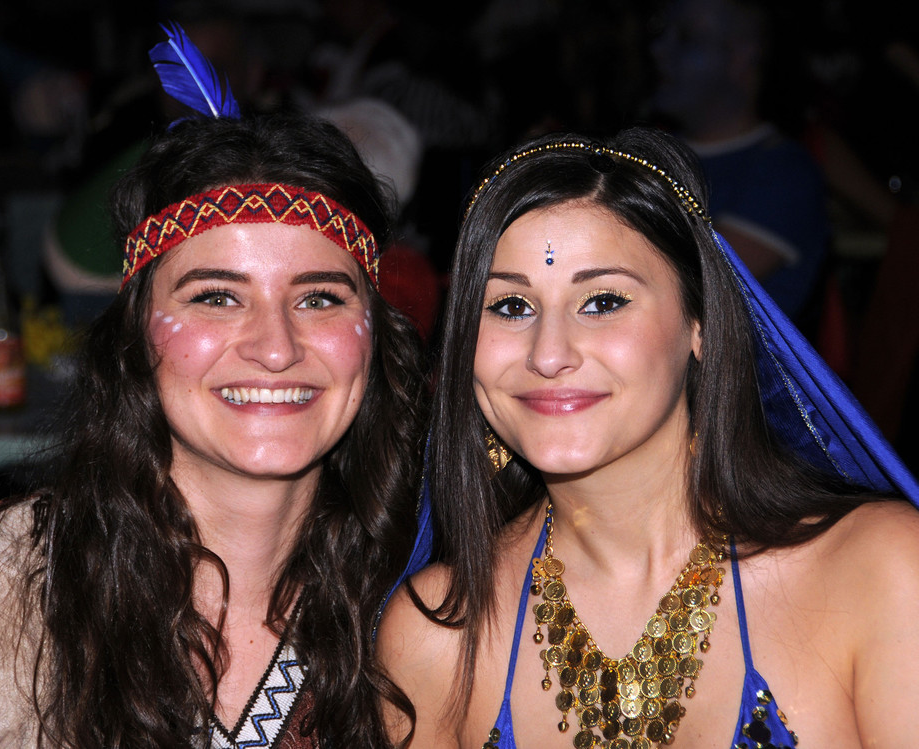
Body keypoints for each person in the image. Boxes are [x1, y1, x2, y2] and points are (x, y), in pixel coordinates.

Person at [0, 24, 427, 749]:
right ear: (136, 334)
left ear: (375, 333)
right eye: (216, 296)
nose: (276, 347)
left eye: (320, 297)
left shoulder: (431, 603)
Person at [377, 127, 919, 748]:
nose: (548, 354)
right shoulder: (434, 635)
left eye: (603, 301)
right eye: (511, 307)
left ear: (700, 323)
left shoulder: (879, 574)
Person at [649, 0, 830, 326]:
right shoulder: (645, 153)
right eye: (663, 33)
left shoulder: (784, 174)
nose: (659, 50)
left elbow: (684, 285)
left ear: (742, 57)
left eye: (688, 38)